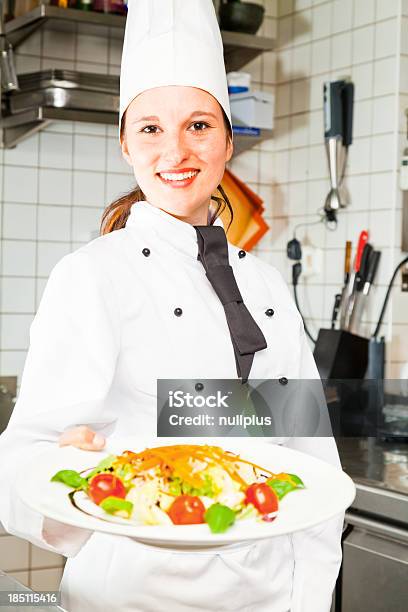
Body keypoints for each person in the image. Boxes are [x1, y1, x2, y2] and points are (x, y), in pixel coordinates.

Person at [0, 1, 344, 610]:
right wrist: (62, 468)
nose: (176, 150)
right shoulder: (92, 277)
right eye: (151, 128)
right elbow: (21, 466)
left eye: (199, 126)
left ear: (228, 142)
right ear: (126, 147)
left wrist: (308, 599)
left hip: (267, 595)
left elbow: (310, 465)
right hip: (131, 596)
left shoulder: (266, 290)